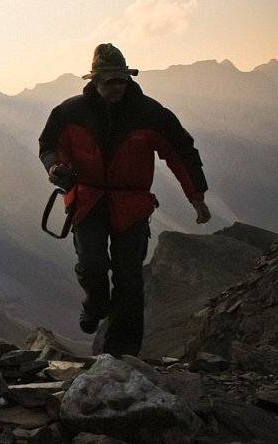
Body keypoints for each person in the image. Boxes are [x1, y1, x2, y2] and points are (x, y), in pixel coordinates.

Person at [38, 43, 211, 356]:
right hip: (87, 201)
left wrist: (196, 196)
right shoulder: (69, 113)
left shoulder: (150, 114)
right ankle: (95, 305)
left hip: (131, 207)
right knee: (91, 266)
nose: (118, 86)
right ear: (95, 81)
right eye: (111, 81)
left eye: (123, 79)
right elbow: (49, 144)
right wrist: (54, 166)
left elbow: (181, 152)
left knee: (129, 280)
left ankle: (122, 355)